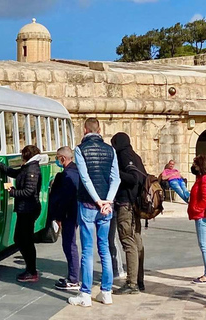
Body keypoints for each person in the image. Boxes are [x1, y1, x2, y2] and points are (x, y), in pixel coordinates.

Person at [68, 118, 120, 307]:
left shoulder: (80, 149)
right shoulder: (111, 150)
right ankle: (106, 292)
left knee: (88, 250)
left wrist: (98, 200)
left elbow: (85, 177)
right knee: (104, 248)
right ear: (100, 129)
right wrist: (108, 201)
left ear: (84, 130)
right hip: (106, 207)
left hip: (89, 205)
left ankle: (85, 294)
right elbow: (116, 179)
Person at [0, 145, 42, 282]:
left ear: (26, 156)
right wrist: (1, 166)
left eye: (22, 155)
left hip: (29, 209)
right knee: (21, 239)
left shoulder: (32, 169)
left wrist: (12, 192)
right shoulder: (28, 167)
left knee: (24, 240)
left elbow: (29, 191)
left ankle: (31, 271)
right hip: (25, 209)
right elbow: (15, 173)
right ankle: (30, 269)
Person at [111, 132, 146, 294]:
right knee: (137, 241)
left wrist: (115, 173)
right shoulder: (135, 156)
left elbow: (133, 178)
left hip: (126, 204)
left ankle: (132, 283)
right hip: (135, 205)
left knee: (128, 241)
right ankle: (139, 280)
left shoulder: (124, 156)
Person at [50, 146, 80, 291]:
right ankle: (73, 275)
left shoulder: (67, 175)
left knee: (69, 244)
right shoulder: (76, 170)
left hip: (69, 214)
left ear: (62, 158)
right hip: (76, 213)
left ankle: (73, 278)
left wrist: (59, 217)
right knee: (70, 244)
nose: (56, 160)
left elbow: (64, 199)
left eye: (57, 157)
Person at [187, 154, 206, 284]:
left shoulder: (205, 179)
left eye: (195, 164)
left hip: (203, 216)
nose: (194, 167)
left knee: (205, 245)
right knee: (204, 245)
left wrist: (197, 209)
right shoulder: (201, 178)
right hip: (201, 215)